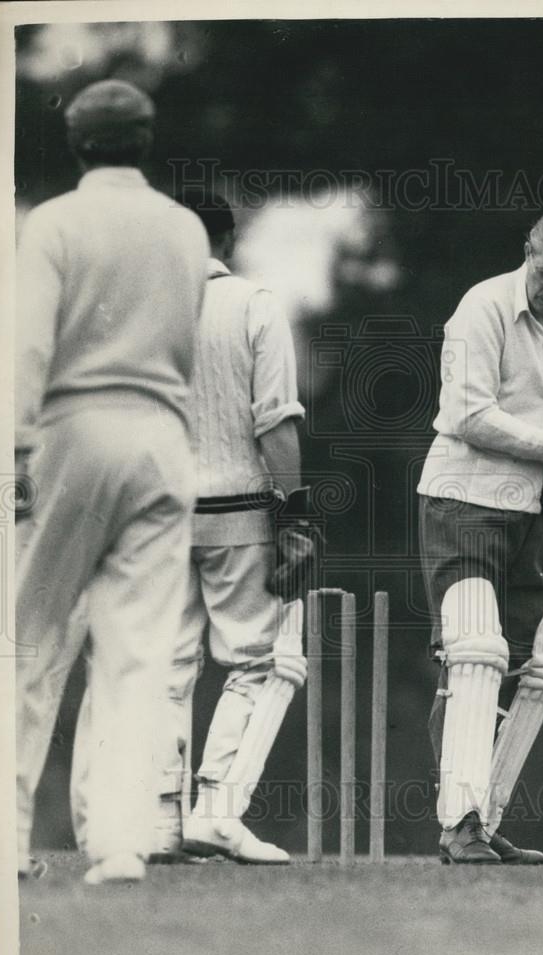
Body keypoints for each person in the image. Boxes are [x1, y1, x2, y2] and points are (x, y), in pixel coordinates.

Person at [15, 79, 209, 885]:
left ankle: (3, 833)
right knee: (140, 652)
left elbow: (26, 346)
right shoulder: (186, 227)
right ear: (146, 140)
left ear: (76, 143)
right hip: (163, 435)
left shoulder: (55, 222)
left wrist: (14, 448)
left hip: (72, 429)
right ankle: (122, 841)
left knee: (26, 641)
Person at [417, 209, 543, 864]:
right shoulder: (481, 308)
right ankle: (458, 822)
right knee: (477, 652)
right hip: (461, 498)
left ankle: (482, 819)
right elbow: (466, 414)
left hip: (531, 509)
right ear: (527, 252)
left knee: (534, 667)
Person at [156, 191, 308, 864]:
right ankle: (215, 814)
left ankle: (155, 821)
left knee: (166, 664)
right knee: (259, 662)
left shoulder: (139, 312)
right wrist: (295, 512)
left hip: (157, 517)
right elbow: (274, 418)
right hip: (240, 510)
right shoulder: (253, 303)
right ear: (228, 242)